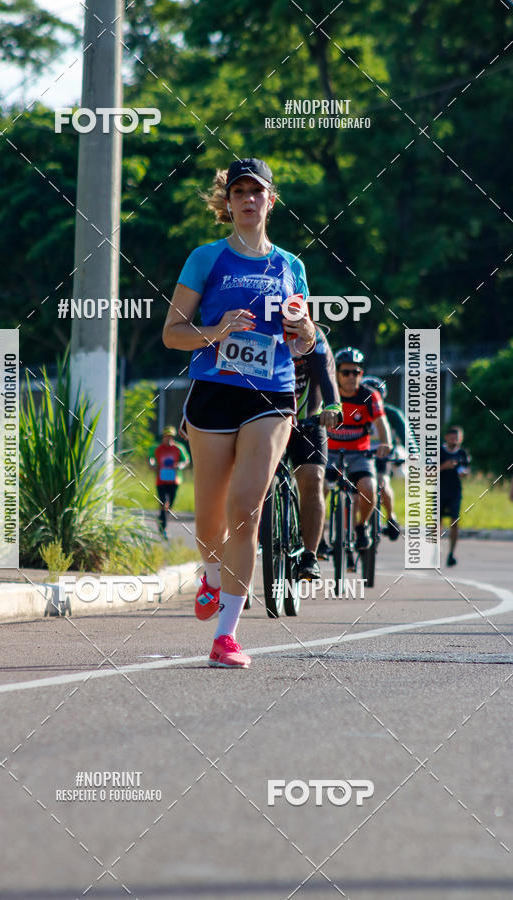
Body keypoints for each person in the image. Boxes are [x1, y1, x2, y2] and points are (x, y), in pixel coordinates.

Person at [163, 158, 316, 668]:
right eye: (239, 191)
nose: (249, 199)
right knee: (210, 520)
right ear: (226, 203)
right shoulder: (206, 259)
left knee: (247, 507)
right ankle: (210, 573)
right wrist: (218, 330)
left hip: (271, 394)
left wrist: (303, 331)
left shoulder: (291, 266)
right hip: (213, 391)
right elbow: (172, 333)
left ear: (271, 201)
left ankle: (226, 635)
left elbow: (307, 342)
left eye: (258, 191)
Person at [324, 348, 392, 561]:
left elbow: (381, 422)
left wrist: (386, 442)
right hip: (330, 452)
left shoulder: (369, 396)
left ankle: (361, 526)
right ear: (337, 373)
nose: (351, 377)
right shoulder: (328, 393)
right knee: (321, 486)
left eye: (356, 372)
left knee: (369, 488)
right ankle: (318, 538)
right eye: (346, 372)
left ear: (361, 374)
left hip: (359, 454)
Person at [287, 327, 342, 579]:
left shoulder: (313, 335)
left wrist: (332, 406)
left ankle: (309, 555)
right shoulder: (260, 328)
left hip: (307, 421)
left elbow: (327, 373)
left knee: (313, 479)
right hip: (266, 422)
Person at [361, 375, 401, 541]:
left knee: (382, 482)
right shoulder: (355, 410)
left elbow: (406, 433)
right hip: (359, 453)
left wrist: (413, 452)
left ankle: (391, 517)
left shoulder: (390, 413)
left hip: (381, 453)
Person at [148, 426, 190, 539]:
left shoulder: (178, 448)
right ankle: (164, 528)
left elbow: (186, 460)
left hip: (174, 480)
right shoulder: (157, 448)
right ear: (164, 437)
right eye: (167, 436)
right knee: (164, 503)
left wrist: (181, 465)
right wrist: (152, 464)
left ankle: (161, 520)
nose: (169, 439)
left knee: (169, 505)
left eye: (171, 436)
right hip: (161, 480)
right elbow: (151, 458)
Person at [440, 425, 471, 567]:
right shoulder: (439, 452)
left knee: (454, 522)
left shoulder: (463, 454)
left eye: (457, 438)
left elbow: (466, 470)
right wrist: (443, 467)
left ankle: (451, 553)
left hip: (455, 492)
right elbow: (427, 471)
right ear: (446, 437)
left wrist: (464, 473)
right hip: (439, 491)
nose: (454, 441)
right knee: (436, 524)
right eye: (452, 438)